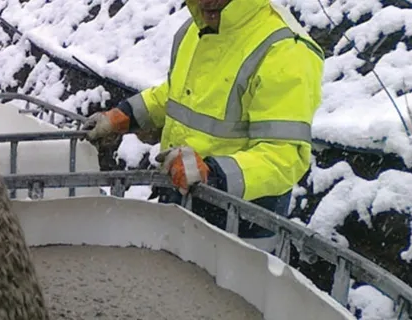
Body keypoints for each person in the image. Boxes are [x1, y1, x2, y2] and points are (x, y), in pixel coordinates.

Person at [83, 0, 325, 252]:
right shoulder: (195, 28)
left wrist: (213, 175)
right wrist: (126, 115)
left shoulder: (285, 50)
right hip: (180, 208)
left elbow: (284, 156)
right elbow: (178, 94)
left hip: (239, 234)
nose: (207, 1)